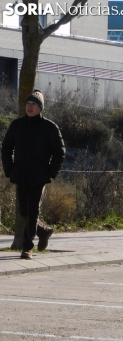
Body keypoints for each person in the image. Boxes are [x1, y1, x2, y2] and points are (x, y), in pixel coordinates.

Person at [1, 89, 65, 260]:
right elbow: (6, 149)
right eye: (28, 104)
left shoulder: (50, 127)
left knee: (33, 209)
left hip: (40, 176)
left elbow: (59, 152)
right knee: (23, 210)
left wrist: (51, 172)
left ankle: (27, 247)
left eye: (34, 104)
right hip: (21, 174)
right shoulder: (17, 125)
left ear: (40, 108)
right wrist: (10, 169)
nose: (30, 107)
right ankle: (43, 231)